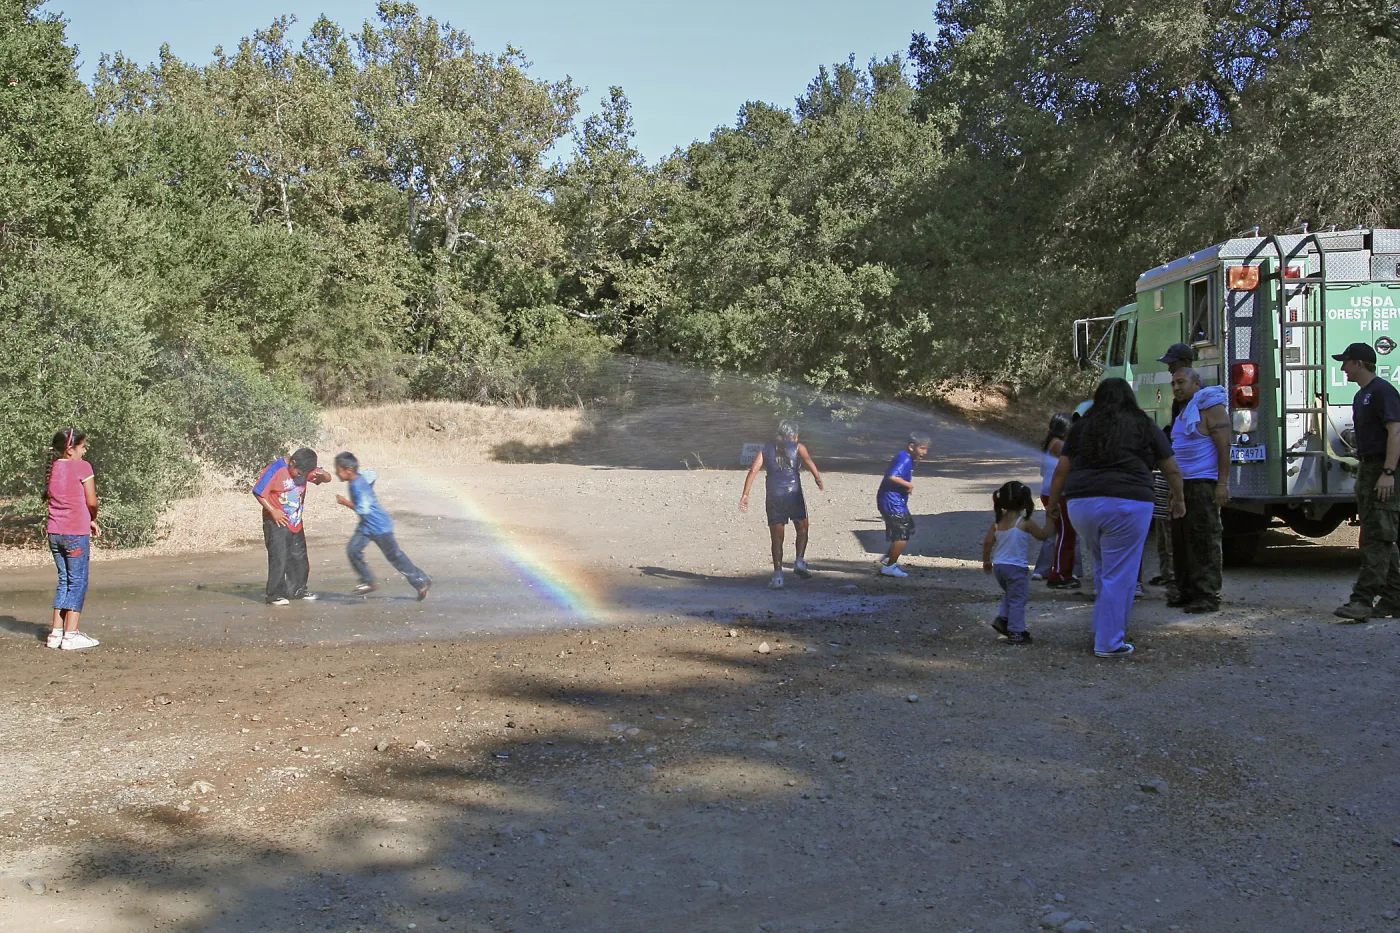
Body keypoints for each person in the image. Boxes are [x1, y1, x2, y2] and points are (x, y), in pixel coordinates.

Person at [1048, 379, 1185, 658]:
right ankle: (1109, 642)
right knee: (1119, 575)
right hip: (1128, 504)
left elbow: (1062, 469)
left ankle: (1103, 629)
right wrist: (1179, 498)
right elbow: (1171, 468)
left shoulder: (1082, 427)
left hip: (1082, 506)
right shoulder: (1143, 424)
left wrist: (1053, 504)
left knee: (1103, 569)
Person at [1333, 343, 1400, 621]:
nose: (1342, 368)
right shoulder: (1363, 395)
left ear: (1360, 363)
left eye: (1346, 362)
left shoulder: (1383, 392)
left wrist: (1388, 472)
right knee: (1379, 536)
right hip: (1368, 468)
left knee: (1376, 538)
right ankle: (1394, 598)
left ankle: (1361, 600)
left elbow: (1396, 432)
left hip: (1381, 469)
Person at [1167, 368, 1230, 613]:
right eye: (1173, 383)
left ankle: (1206, 595)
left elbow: (1224, 447)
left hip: (1203, 484)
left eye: (1181, 382)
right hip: (1183, 486)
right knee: (1181, 542)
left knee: (1204, 540)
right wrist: (1175, 489)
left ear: (1197, 383)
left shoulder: (1211, 409)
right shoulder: (1185, 411)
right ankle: (1187, 591)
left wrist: (1222, 484)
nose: (1176, 387)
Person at [334, 453, 432, 600]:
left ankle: (421, 581)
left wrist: (344, 502)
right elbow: (372, 474)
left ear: (348, 470)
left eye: (338, 470)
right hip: (366, 526)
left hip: (380, 527)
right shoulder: (359, 478)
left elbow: (363, 509)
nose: (336, 473)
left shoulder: (359, 486)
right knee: (353, 550)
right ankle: (368, 581)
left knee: (395, 557)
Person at [739, 421, 825, 589]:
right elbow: (809, 462)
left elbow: (753, 470)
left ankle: (778, 576)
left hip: (774, 494)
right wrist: (818, 479)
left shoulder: (765, 449)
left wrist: (745, 494)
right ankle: (799, 561)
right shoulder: (799, 447)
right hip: (793, 493)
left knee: (777, 537)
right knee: (802, 527)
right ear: (795, 435)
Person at [45, 428, 101, 650]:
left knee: (65, 581)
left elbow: (67, 500)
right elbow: (92, 501)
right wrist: (93, 517)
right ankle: (71, 635)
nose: (85, 450)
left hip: (55, 532)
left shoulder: (54, 467)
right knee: (78, 582)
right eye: (83, 446)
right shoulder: (82, 467)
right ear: (70, 450)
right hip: (75, 533)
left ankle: (55, 634)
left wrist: (88, 519)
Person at [1147, 343, 1197, 593]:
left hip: (1187, 469)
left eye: (1172, 363)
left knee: (1175, 522)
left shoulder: (1197, 397)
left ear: (1185, 364)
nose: (1168, 368)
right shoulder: (1180, 399)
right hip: (1174, 463)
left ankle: (1177, 575)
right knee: (1163, 520)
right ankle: (1167, 572)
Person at [253, 448, 331, 606]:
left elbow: (327, 478)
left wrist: (321, 475)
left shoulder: (304, 468)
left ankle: (298, 589)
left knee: (299, 558)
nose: (301, 476)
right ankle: (275, 594)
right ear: (293, 463)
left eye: (304, 474)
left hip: (296, 522)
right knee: (279, 558)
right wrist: (273, 511)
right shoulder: (276, 469)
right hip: (276, 523)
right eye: (299, 473)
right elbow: (258, 491)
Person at [982, 480, 1056, 645]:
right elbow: (1043, 535)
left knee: (1011, 594)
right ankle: (1016, 631)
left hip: (1000, 567)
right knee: (1018, 599)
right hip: (1016, 568)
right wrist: (1051, 519)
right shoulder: (1025, 522)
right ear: (1024, 501)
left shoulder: (997, 524)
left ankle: (1002, 619)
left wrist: (986, 560)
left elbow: (987, 543)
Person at [875, 432, 932, 578]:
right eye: (922, 448)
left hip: (893, 500)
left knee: (907, 527)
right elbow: (893, 476)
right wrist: (908, 484)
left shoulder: (904, 456)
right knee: (902, 534)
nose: (925, 453)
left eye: (926, 449)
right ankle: (890, 566)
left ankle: (889, 558)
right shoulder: (905, 459)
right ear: (912, 447)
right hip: (891, 501)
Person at [1033, 413, 1073, 581]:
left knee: (1054, 531)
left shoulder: (1051, 443)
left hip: (1048, 493)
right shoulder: (1060, 445)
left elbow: (1043, 471)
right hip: (1057, 495)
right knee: (1066, 534)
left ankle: (1043, 571)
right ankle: (1059, 573)